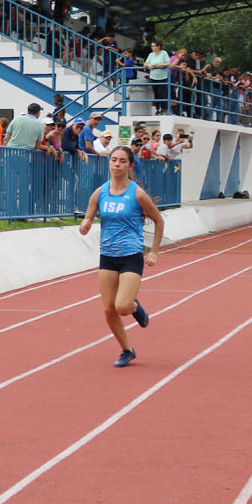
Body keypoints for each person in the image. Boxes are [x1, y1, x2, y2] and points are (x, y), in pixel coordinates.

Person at [78, 145, 165, 367]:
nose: (116, 164)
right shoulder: (101, 192)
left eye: (122, 161)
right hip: (107, 255)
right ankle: (127, 349)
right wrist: (85, 224)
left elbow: (158, 220)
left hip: (131, 254)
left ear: (130, 165)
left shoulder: (136, 193)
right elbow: (87, 219)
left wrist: (154, 251)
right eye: (113, 160)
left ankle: (135, 307)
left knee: (123, 307)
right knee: (109, 308)